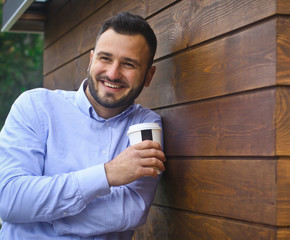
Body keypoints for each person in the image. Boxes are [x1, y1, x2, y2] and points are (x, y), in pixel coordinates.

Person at [0, 12, 166, 239]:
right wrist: (107, 174)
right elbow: (9, 199)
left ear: (148, 76)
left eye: (128, 64)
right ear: (91, 60)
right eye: (105, 58)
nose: (112, 73)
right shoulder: (35, 106)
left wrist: (43, 213)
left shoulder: (145, 125)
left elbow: (133, 210)